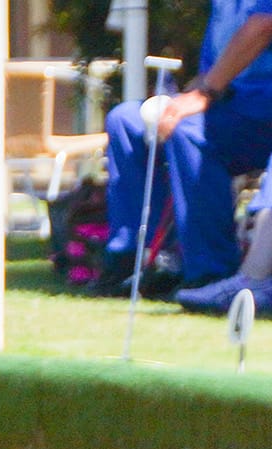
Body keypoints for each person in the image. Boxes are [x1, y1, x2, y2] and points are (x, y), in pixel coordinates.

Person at [109, 2, 272, 300]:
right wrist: (190, 92)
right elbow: (219, 61)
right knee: (126, 121)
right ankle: (140, 259)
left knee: (189, 132)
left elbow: (262, 27)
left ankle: (211, 271)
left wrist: (204, 92)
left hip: (261, 112)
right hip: (228, 105)